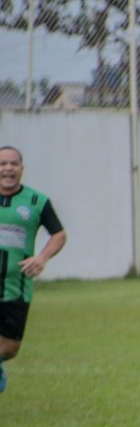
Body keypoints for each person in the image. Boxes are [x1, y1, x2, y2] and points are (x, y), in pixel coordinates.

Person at [0, 145, 67, 395]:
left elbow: (59, 234)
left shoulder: (37, 201)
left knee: (10, 348)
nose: (8, 168)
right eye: (2, 164)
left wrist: (42, 257)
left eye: (13, 163)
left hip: (16, 285)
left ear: (22, 168)